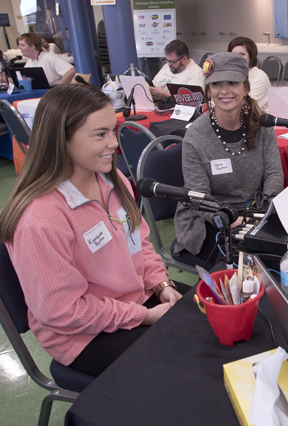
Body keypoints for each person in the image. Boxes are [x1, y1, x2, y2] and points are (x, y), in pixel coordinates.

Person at [0, 84, 183, 377]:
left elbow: (141, 242)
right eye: (101, 134)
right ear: (61, 140)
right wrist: (144, 316)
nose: (114, 143)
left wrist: (161, 284)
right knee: (182, 369)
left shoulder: (113, 180)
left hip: (136, 301)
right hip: (82, 334)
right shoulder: (39, 219)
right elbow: (61, 311)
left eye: (113, 131)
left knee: (208, 319)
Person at [174, 52, 284, 262]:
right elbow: (199, 196)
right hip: (207, 218)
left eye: (233, 82)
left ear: (246, 88)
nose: (224, 90)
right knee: (245, 261)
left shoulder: (262, 126)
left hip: (255, 210)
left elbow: (274, 174)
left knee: (283, 251)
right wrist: (230, 218)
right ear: (209, 90)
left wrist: (266, 211)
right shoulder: (195, 136)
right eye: (216, 84)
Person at [227, 36, 271, 112]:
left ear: (250, 57)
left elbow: (247, 108)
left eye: (242, 54)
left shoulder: (259, 77)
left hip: (254, 120)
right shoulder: (228, 75)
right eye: (234, 54)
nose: (237, 58)